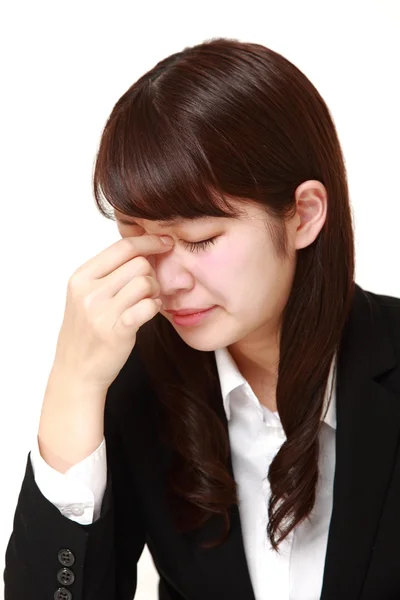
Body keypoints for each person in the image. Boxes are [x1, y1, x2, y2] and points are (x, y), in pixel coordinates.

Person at [3, 37, 400, 600]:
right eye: (137, 237)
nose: (167, 281)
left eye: (200, 238)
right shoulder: (138, 384)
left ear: (304, 215)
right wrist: (74, 381)